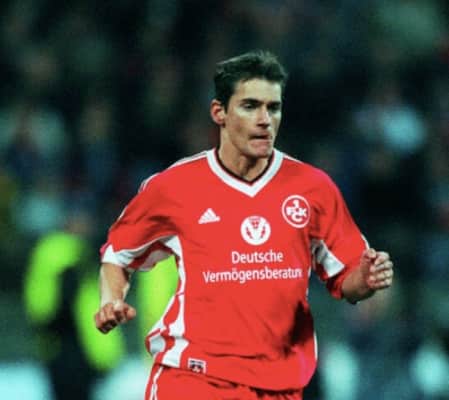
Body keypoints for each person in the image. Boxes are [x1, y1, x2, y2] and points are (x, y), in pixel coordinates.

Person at [94, 50, 394, 400]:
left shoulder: (313, 188)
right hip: (194, 379)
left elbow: (348, 278)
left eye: (273, 108)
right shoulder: (173, 187)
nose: (264, 119)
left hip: (279, 385)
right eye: (250, 106)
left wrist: (367, 279)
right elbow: (118, 254)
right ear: (219, 112)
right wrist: (111, 299)